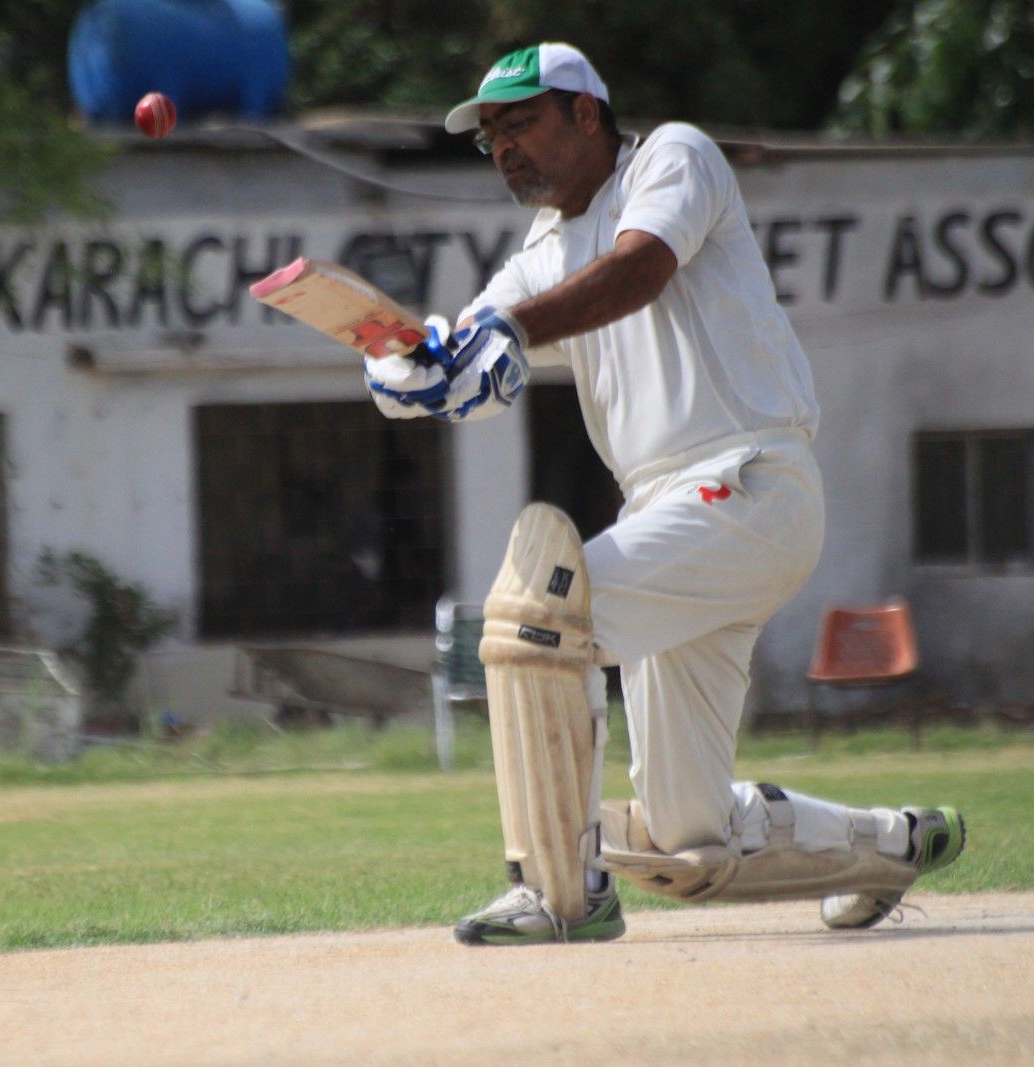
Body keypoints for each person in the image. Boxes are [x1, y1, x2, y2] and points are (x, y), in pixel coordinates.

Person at [364, 42, 966, 945]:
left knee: (540, 620)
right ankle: (891, 843)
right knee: (690, 839)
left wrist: (506, 331)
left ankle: (559, 891)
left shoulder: (674, 158)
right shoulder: (541, 250)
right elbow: (485, 350)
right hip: (668, 516)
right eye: (490, 137)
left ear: (586, 113)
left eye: (520, 122)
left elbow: (639, 270)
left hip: (748, 481)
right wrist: (420, 370)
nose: (504, 149)